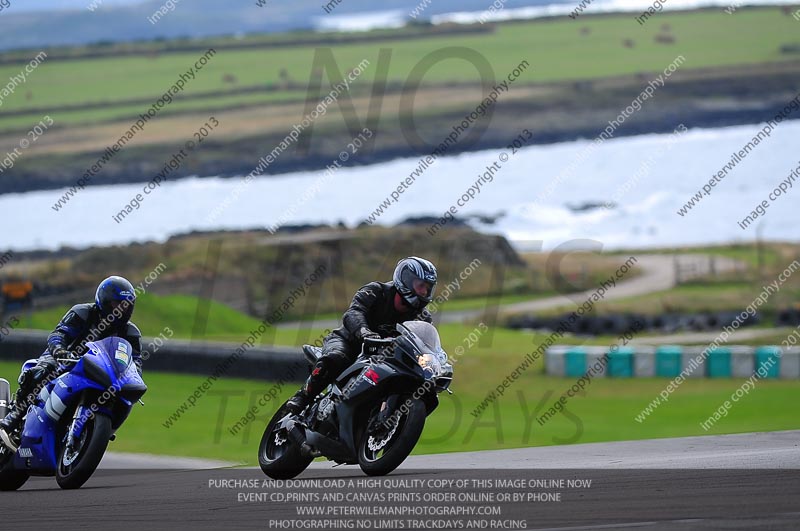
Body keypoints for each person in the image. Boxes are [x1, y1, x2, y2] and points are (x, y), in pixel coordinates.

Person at [0, 276, 143, 452]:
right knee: (42, 371)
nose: (122, 310)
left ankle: (92, 434)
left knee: (123, 397)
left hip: (99, 371)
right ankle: (13, 418)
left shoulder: (131, 333)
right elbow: (58, 335)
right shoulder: (83, 312)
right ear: (104, 300)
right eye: (116, 304)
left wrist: (134, 377)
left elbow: (134, 361)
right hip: (65, 359)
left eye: (126, 305)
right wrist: (61, 351)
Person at [286, 256, 438, 414]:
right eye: (420, 285)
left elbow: (424, 343)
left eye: (428, 288)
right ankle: (303, 396)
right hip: (349, 342)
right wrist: (365, 332)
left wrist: (434, 361)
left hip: (384, 358)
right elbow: (353, 313)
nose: (424, 292)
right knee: (336, 358)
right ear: (405, 280)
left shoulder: (423, 317)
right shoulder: (376, 291)